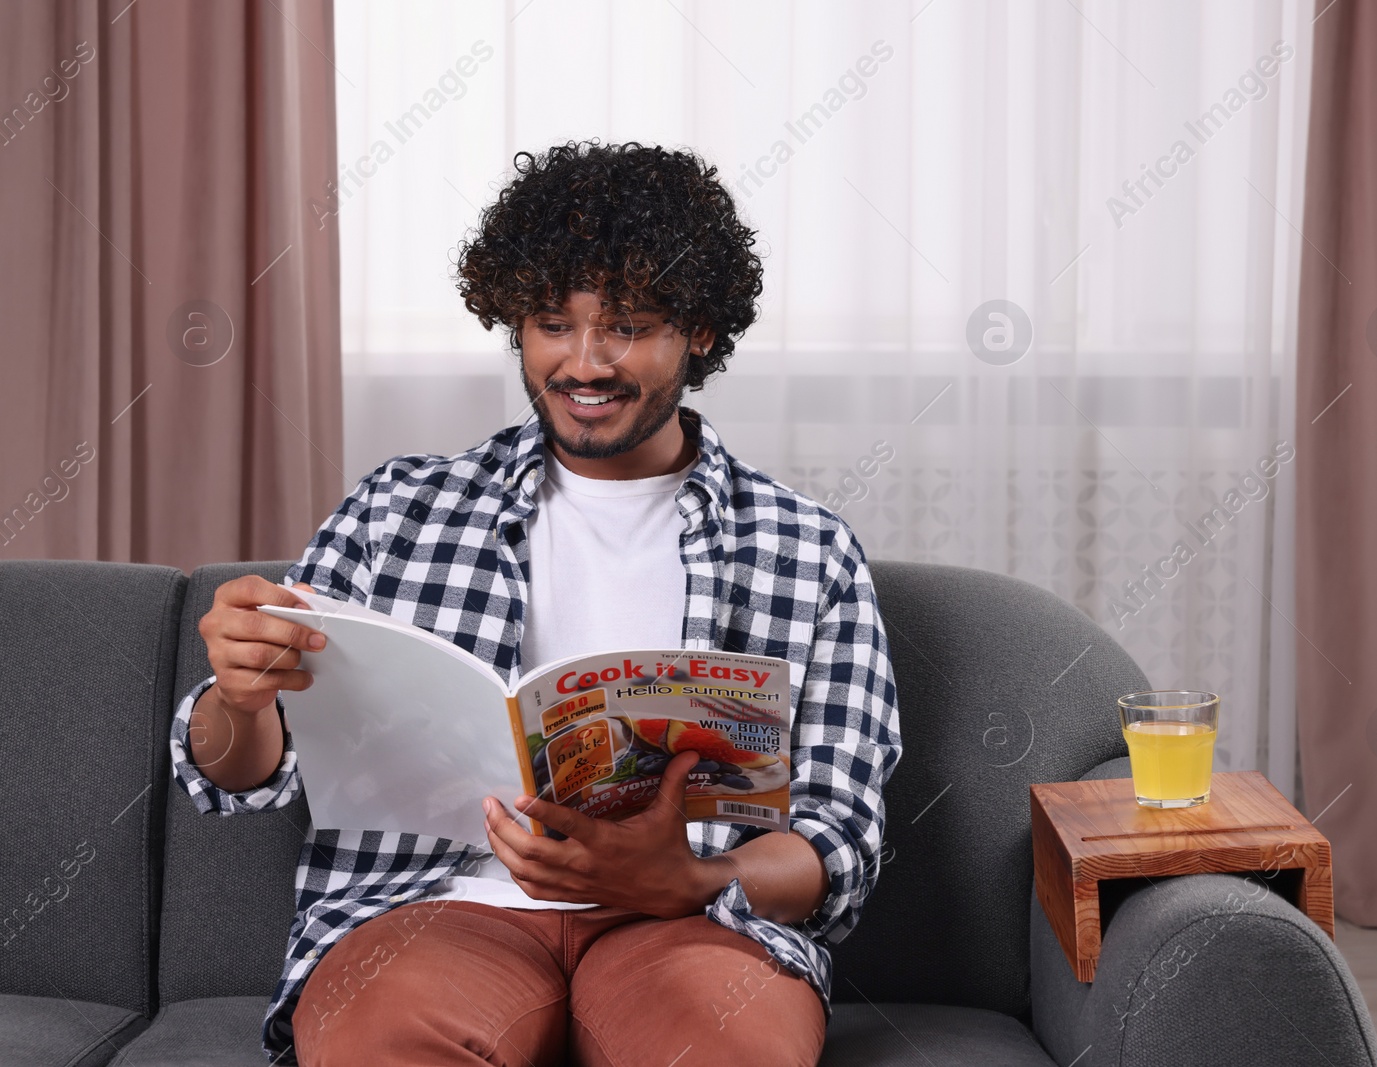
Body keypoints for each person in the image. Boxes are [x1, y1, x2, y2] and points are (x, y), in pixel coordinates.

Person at [168, 139, 902, 1067]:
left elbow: (836, 847)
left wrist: (690, 877)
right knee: (379, 1044)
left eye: (626, 326)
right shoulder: (398, 512)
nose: (583, 363)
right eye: (553, 323)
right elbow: (232, 779)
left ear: (702, 331)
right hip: (436, 911)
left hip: (692, 923)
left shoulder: (807, 551)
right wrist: (241, 698)